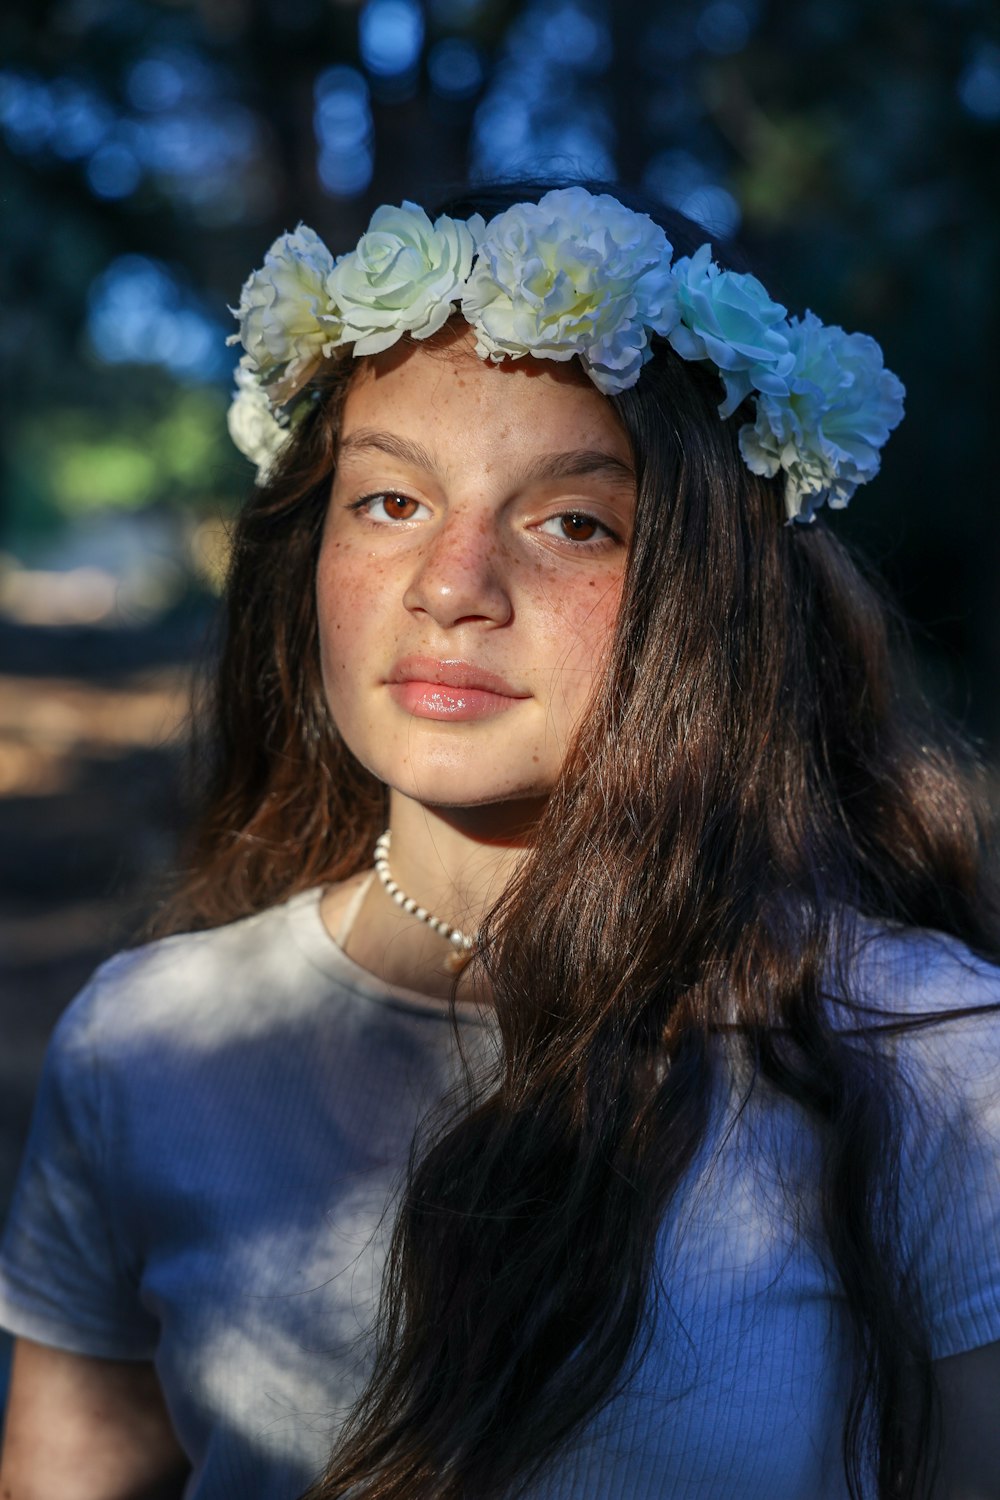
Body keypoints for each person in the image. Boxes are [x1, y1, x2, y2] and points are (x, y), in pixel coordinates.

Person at [0, 182, 998, 1500]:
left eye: (571, 521)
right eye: (391, 502)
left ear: (706, 588)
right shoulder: (144, 1042)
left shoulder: (930, 1061)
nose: (454, 586)